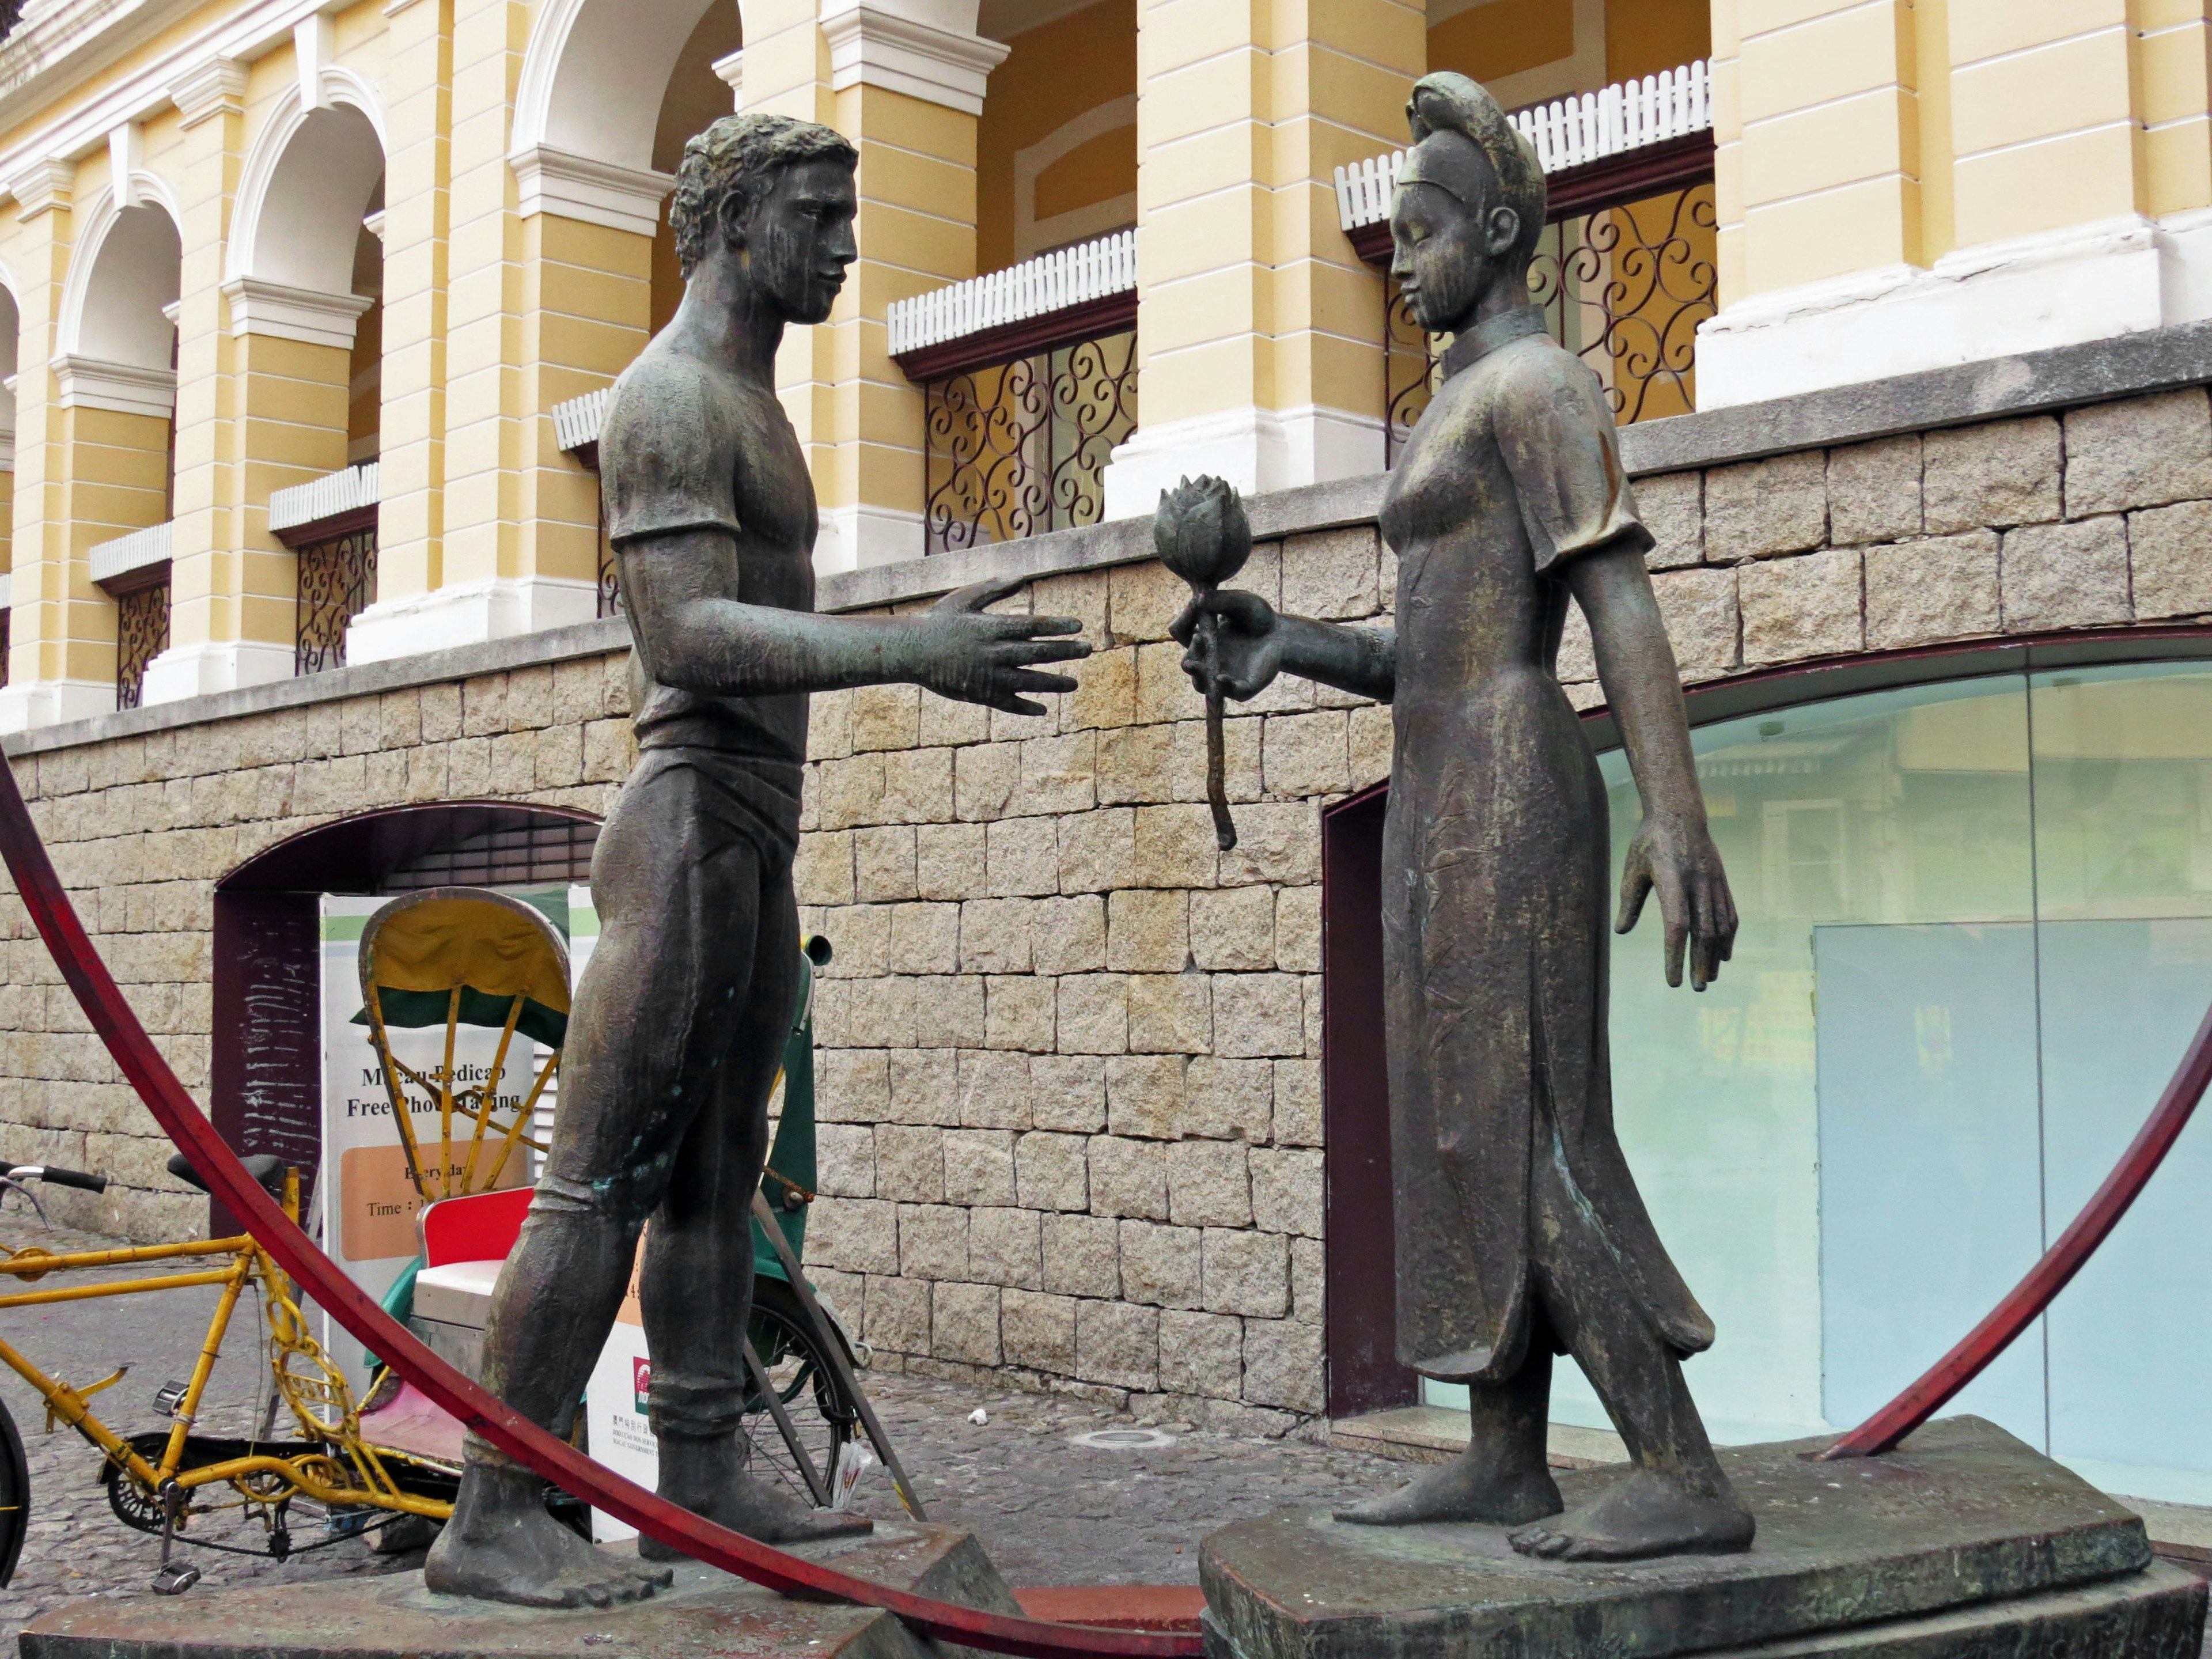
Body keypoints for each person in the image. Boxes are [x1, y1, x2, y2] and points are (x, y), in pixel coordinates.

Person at [424, 112, 1090, 1609]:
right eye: (820, 214)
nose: (850, 243)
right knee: (598, 1182)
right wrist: (911, 647)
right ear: (734, 222)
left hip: (751, 836)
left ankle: (702, 1465)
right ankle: (493, 1508)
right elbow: (687, 635)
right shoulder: (669, 400)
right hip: (685, 830)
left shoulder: (749, 398)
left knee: (719, 1184)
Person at [1173, 72, 1753, 1562]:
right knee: (1454, 1127)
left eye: (1423, 230)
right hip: (1439, 780)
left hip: (1510, 784)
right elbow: (1420, 654)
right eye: (1394, 230)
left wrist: (1673, 812)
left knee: (1533, 1123)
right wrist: (1287, 641)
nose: (1402, 255)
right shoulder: (1462, 399)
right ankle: (1506, 1455)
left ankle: (1680, 1469)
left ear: (1500, 232)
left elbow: (1614, 594)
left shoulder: (1542, 390)